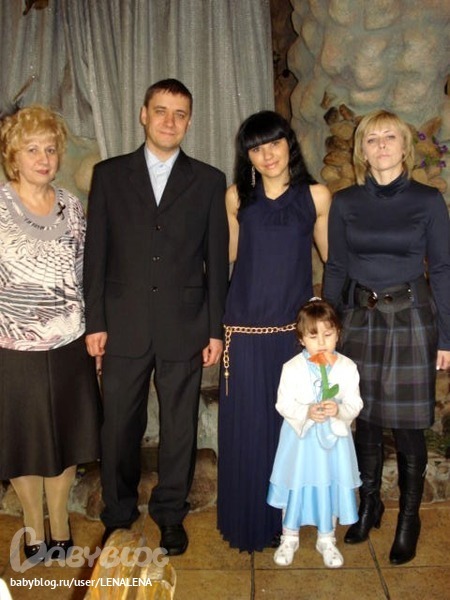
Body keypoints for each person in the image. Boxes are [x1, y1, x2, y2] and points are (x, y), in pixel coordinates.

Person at [83, 78, 229, 555]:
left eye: (180, 114)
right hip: (122, 324)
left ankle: (170, 514)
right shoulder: (109, 175)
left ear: (189, 121)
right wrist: (95, 321)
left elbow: (216, 261)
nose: (170, 121)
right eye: (161, 111)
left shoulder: (208, 181)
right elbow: (96, 255)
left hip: (184, 325)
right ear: (144, 114)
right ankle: (118, 515)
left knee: (180, 428)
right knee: (117, 428)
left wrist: (215, 329)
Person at [323, 109, 450, 565]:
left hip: (412, 319)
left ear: (404, 146)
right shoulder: (345, 203)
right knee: (366, 420)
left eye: (389, 137)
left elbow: (443, 269)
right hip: (359, 319)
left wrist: (448, 338)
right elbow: (336, 266)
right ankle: (369, 505)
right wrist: (327, 329)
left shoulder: (428, 201)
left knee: (409, 426)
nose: (380, 145)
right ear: (361, 149)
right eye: (372, 138)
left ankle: (408, 520)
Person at [217, 110, 331, 552]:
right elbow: (228, 257)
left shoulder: (316, 196)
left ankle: (290, 522)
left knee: (291, 430)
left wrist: (326, 331)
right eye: (256, 148)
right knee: (248, 430)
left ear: (290, 144)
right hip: (243, 333)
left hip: (292, 334)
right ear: (246, 155)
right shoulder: (235, 198)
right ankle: (250, 521)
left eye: (274, 143)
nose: (267, 155)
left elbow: (333, 261)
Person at [0, 105, 100, 564]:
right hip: (12, 348)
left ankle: (60, 526)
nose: (44, 158)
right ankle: (33, 528)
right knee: (24, 443)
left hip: (68, 345)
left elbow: (83, 273)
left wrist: (92, 332)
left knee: (67, 439)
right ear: (13, 156)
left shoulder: (72, 206)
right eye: (32, 149)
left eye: (51, 149)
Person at [267, 298, 362, 568]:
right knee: (296, 482)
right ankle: (289, 535)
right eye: (313, 336)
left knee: (329, 483)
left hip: (334, 444)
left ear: (338, 334)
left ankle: (326, 537)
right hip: (300, 442)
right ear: (301, 339)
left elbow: (355, 402)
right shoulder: (291, 368)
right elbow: (283, 403)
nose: (321, 342)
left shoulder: (347, 367)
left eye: (328, 334)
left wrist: (339, 409)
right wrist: (306, 411)